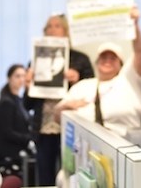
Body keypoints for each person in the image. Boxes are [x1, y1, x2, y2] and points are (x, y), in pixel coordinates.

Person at [23, 13, 94, 186]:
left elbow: (93, 94)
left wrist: (76, 81)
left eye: (57, 26)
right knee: (45, 176)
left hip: (70, 128)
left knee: (71, 175)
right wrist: (27, 86)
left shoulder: (80, 59)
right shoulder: (35, 60)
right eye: (48, 26)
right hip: (44, 128)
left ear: (66, 31)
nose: (52, 30)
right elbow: (27, 105)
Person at [55, 5, 141, 137]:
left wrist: (134, 25)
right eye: (103, 57)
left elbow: (140, 53)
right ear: (96, 63)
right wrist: (65, 108)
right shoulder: (82, 86)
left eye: (112, 58)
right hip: (87, 149)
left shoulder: (128, 81)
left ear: (121, 64)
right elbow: (57, 117)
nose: (107, 61)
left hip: (124, 146)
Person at [0, 64, 32, 167]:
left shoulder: (19, 100)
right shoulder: (6, 102)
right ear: (9, 78)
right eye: (17, 76)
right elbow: (7, 132)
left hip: (20, 143)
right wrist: (28, 138)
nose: (21, 79)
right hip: (10, 147)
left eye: (23, 76)